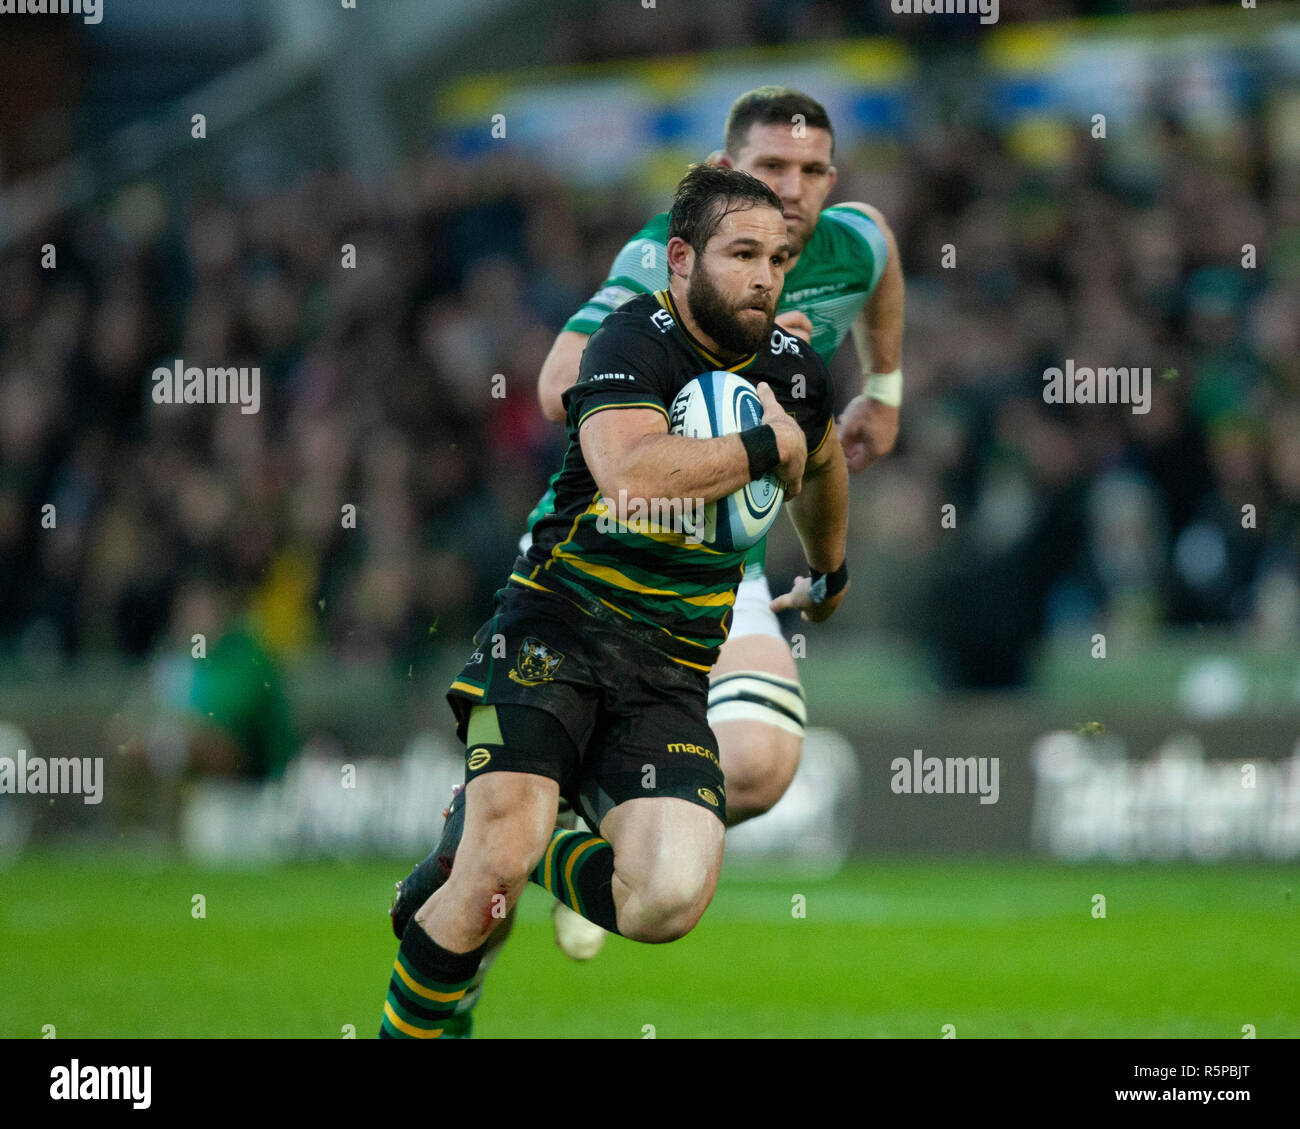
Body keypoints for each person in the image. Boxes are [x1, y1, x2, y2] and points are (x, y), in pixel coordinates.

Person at [379, 164, 849, 1039]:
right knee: (490, 882)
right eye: (741, 254)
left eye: (777, 259)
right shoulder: (630, 341)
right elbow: (631, 478)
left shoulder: (794, 369)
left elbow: (820, 461)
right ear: (680, 260)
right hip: (550, 633)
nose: (764, 277)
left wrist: (829, 568)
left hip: (669, 668)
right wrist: (756, 443)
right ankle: (483, 853)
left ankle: (508, 830)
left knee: (667, 898)